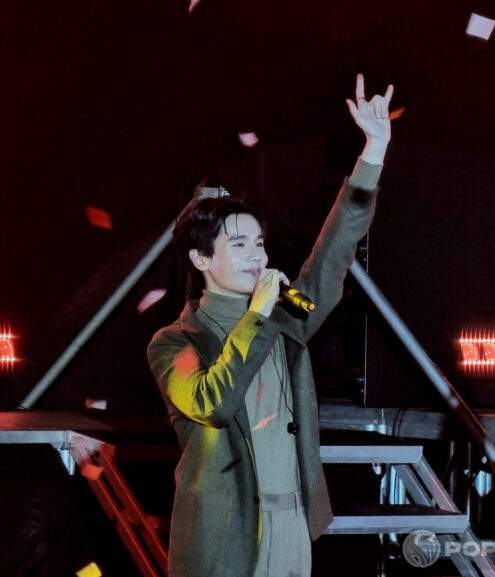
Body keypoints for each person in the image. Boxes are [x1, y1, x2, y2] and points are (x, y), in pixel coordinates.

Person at [147, 74, 393, 577]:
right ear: (200, 259)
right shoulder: (175, 342)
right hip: (225, 533)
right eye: (238, 245)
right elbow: (213, 404)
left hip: (291, 520)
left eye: (259, 244)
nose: (256, 256)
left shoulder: (286, 318)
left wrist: (373, 154)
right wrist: (256, 314)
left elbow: (330, 259)